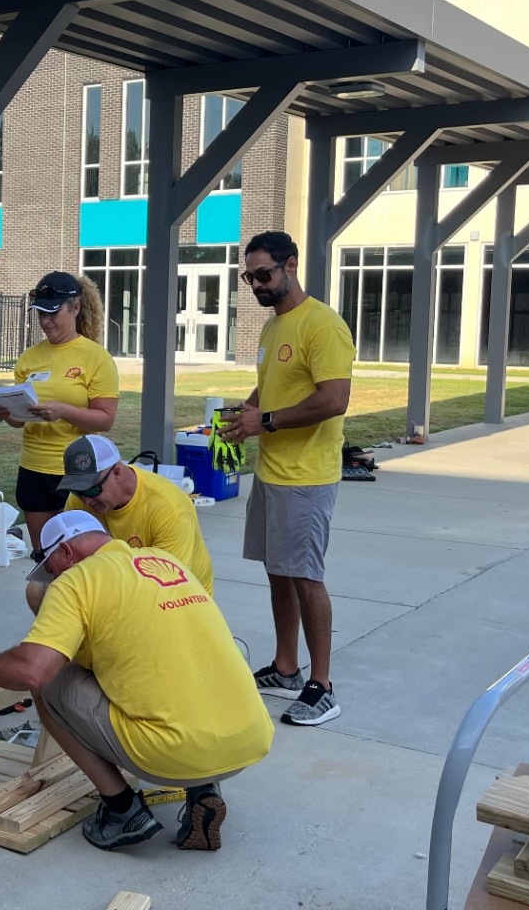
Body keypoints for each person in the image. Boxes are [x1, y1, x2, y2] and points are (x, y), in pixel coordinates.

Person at [0, 512, 273, 853]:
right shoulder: (163, 561)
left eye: (51, 567)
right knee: (181, 674)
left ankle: (123, 811)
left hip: (170, 756)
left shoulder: (76, 581)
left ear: (67, 554)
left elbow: (33, 669)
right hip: (248, 742)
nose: (52, 578)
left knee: (50, 682)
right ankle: (203, 791)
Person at [217, 230, 354, 727]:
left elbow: (334, 399)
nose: (256, 284)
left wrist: (266, 422)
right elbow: (272, 385)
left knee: (306, 576)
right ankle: (285, 666)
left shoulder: (323, 324)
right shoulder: (275, 327)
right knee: (277, 570)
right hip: (272, 472)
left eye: (264, 274)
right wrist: (246, 413)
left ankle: (323, 685)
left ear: (290, 265)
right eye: (248, 276)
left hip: (308, 476)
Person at [0, 272, 118, 557]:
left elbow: (106, 420)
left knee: (82, 560)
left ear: (75, 308)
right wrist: (5, 412)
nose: (45, 321)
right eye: (40, 313)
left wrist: (64, 411)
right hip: (34, 469)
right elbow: (20, 420)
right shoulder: (29, 358)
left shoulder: (96, 357)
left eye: (52, 312)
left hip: (78, 471)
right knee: (46, 558)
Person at [49, 434, 213, 612]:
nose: (86, 500)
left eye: (92, 489)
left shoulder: (170, 509)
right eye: (77, 491)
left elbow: (168, 584)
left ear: (117, 472)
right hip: (117, 582)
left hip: (179, 600)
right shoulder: (79, 502)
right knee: (39, 592)